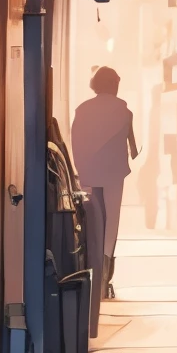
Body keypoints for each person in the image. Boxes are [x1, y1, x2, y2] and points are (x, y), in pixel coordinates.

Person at [70, 66, 137, 299]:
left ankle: (90, 271)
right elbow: (132, 146)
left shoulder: (82, 110)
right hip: (113, 174)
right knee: (111, 223)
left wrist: (81, 168)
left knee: (89, 220)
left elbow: (75, 143)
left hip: (88, 173)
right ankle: (105, 275)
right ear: (115, 84)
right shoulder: (124, 110)